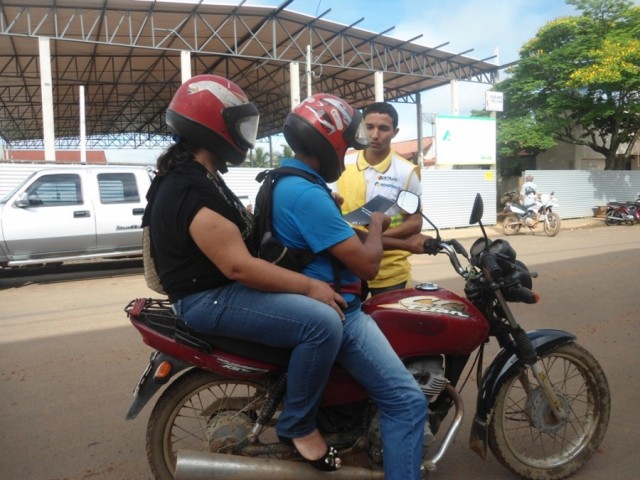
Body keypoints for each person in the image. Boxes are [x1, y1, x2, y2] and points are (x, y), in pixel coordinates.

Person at [143, 75, 346, 471]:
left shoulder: (199, 177)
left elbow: (235, 230)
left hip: (212, 292)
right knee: (322, 324)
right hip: (210, 299)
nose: (245, 137)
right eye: (239, 126)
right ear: (213, 127)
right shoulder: (190, 188)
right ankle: (299, 425)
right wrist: (311, 286)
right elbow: (238, 266)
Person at [272, 93, 429, 480]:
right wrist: (375, 226)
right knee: (407, 402)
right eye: (357, 133)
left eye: (381, 128)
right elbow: (367, 262)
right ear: (329, 142)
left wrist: (393, 237)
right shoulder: (316, 187)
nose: (366, 138)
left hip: (359, 279)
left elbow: (412, 221)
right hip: (344, 298)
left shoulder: (286, 180)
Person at [335, 102, 423, 298]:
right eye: (369, 127)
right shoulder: (342, 164)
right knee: (346, 324)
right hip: (349, 266)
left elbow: (415, 220)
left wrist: (377, 240)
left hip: (390, 272)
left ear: (395, 132)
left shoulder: (406, 171)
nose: (375, 135)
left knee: (392, 326)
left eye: (383, 128)